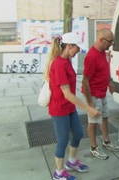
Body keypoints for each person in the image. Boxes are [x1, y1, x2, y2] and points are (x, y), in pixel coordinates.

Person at [44, 32, 100, 180]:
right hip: (59, 109)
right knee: (62, 140)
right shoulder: (58, 64)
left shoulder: (67, 61)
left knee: (78, 134)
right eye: (77, 48)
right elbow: (67, 94)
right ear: (69, 46)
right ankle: (59, 172)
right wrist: (88, 108)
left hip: (69, 108)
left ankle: (72, 162)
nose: (78, 51)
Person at [82, 28, 119, 160]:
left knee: (104, 117)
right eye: (110, 41)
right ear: (101, 40)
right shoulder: (91, 56)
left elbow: (105, 69)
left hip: (102, 92)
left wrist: (109, 81)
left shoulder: (103, 52)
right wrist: (90, 102)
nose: (111, 44)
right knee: (93, 121)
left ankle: (106, 141)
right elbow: (85, 81)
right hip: (93, 94)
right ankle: (94, 148)